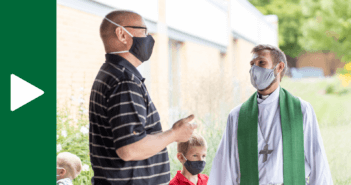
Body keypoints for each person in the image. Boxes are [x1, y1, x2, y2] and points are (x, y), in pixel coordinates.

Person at [89, 10, 197, 185]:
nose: (149, 38)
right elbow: (130, 149)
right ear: (122, 34)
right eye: (144, 31)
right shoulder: (125, 81)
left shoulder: (110, 73)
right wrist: (175, 134)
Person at [208, 44, 333, 185]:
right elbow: (224, 167)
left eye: (261, 63)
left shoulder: (301, 110)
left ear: (279, 67)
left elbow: (318, 161)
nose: (255, 69)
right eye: (252, 64)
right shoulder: (237, 116)